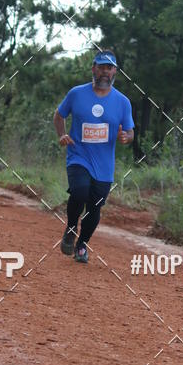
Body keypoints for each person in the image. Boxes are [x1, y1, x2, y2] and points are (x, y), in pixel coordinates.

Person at [53, 50, 134, 264]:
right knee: (80, 192)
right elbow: (59, 115)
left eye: (109, 68)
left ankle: (81, 245)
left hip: (104, 165)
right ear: (93, 69)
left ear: (115, 71)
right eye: (101, 67)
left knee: (95, 206)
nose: (105, 72)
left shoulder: (122, 102)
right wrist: (62, 134)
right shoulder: (76, 94)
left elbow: (130, 130)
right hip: (78, 156)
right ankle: (71, 229)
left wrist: (126, 137)